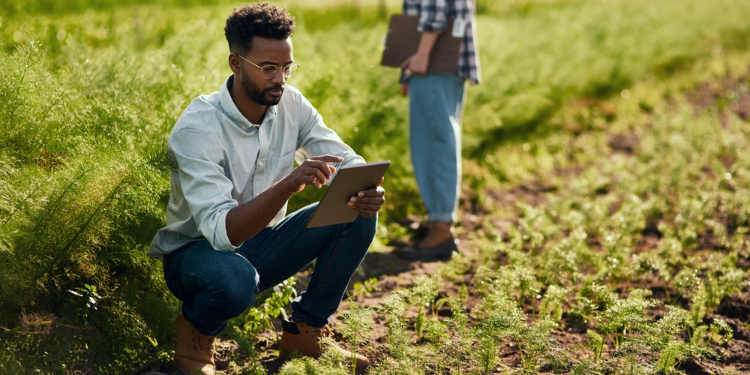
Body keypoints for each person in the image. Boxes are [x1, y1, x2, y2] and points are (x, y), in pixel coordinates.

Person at [147, 3, 385, 374]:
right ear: (236, 63)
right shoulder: (198, 129)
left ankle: (303, 332)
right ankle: (195, 339)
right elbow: (224, 232)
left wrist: (364, 186)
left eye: (287, 67)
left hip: (262, 243)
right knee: (235, 280)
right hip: (197, 256)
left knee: (354, 211)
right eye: (269, 68)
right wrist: (288, 184)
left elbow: (344, 159)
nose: (280, 79)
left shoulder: (293, 104)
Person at [397, 0, 481, 261]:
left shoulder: (430, 55)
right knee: (439, 138)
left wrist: (422, 54)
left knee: (434, 142)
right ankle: (438, 222)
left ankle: (442, 228)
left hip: (433, 59)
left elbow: (434, 9)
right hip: (439, 59)